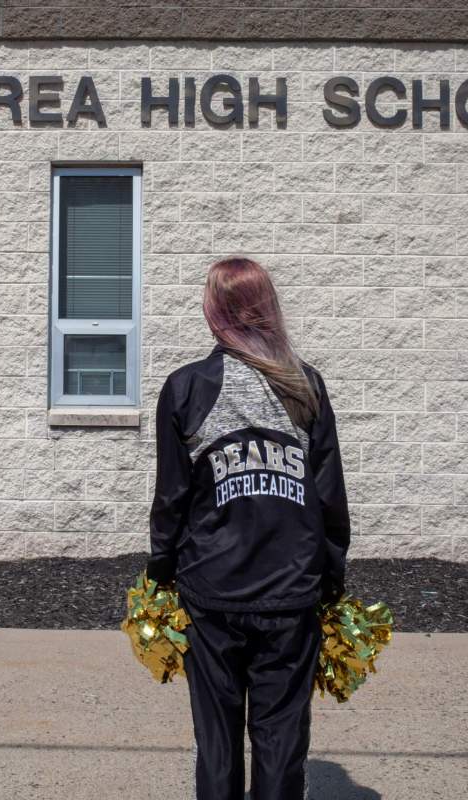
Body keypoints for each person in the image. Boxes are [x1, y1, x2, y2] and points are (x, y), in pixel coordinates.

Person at [146, 256, 351, 800]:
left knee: (217, 742)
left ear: (215, 311)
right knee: (281, 740)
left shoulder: (187, 387)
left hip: (212, 592)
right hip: (289, 593)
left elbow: (171, 497)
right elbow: (329, 497)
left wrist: (160, 570)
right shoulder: (304, 385)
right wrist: (331, 577)